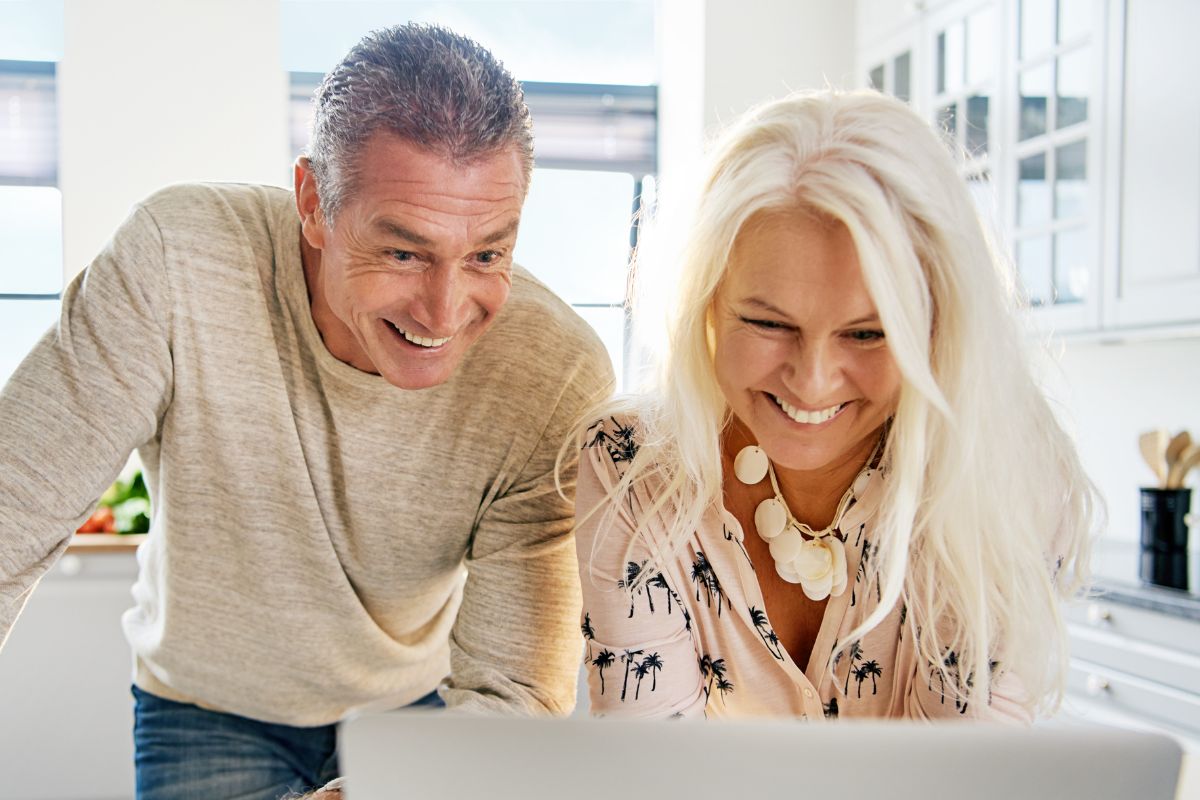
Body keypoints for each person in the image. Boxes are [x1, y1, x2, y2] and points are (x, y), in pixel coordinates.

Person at [0, 23, 612, 799]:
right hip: (206, 709)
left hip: (416, 711)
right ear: (314, 204)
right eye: (403, 252)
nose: (445, 309)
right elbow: (9, 510)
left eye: (487, 254)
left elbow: (517, 694)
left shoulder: (553, 373)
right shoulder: (176, 262)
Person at [573, 89, 1094, 722]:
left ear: (940, 328)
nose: (813, 382)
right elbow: (648, 770)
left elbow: (961, 780)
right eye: (768, 323)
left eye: (867, 334)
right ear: (705, 305)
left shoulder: (1008, 479)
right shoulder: (630, 463)